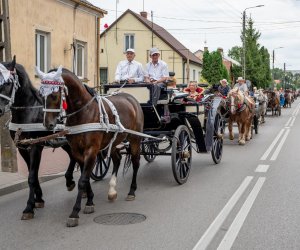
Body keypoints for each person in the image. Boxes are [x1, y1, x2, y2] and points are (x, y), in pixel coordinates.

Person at [144, 47, 170, 122]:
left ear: (158, 55)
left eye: (156, 55)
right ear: (150, 56)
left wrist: (156, 81)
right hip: (150, 82)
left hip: (161, 82)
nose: (155, 56)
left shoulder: (163, 64)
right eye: (153, 55)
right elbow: (146, 77)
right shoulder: (147, 65)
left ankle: (153, 105)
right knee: (145, 86)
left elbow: (165, 77)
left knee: (156, 85)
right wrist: (148, 81)